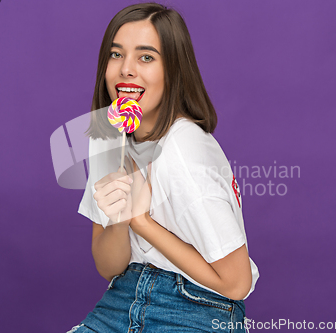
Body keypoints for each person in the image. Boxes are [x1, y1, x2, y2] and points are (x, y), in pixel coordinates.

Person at [69, 3, 259, 332]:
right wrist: (119, 220)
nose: (126, 69)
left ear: (173, 70)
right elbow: (108, 266)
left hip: (197, 306)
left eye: (146, 57)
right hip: (122, 296)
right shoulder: (107, 135)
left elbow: (236, 283)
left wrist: (141, 221)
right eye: (116, 54)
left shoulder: (185, 149)